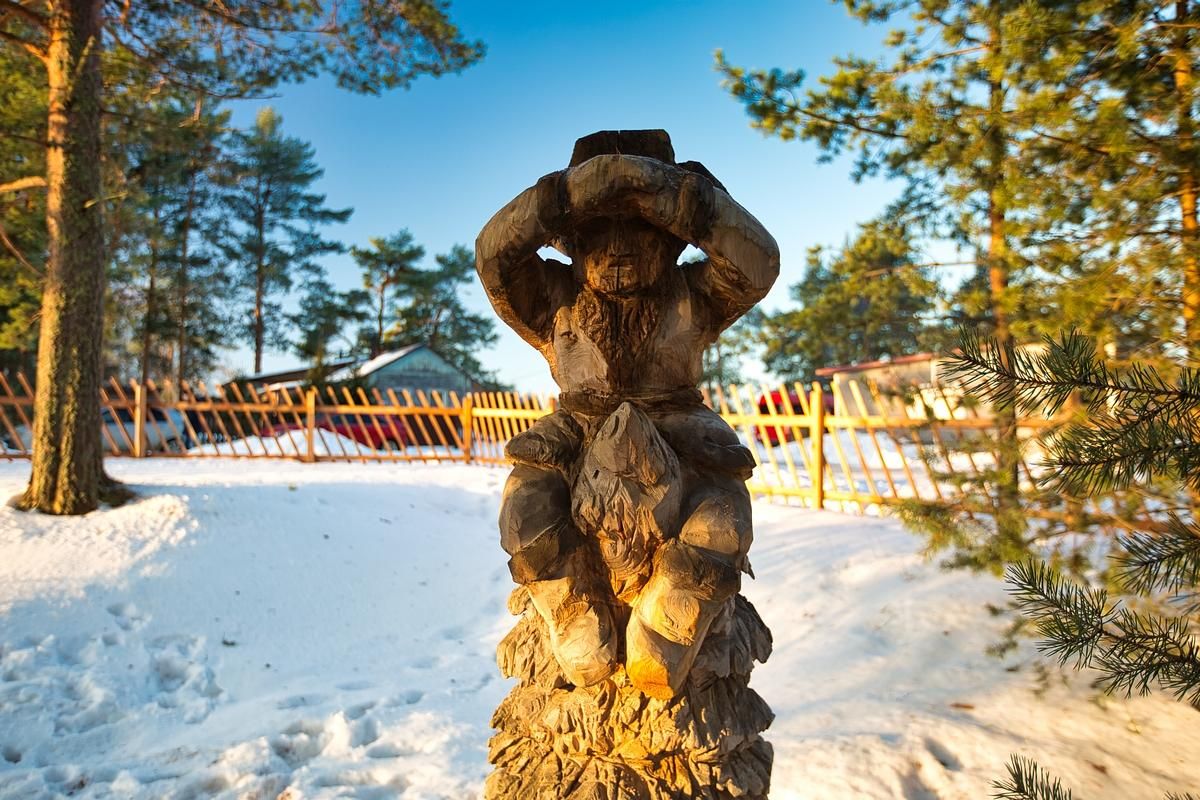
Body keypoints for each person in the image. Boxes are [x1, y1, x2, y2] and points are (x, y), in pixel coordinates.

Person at [477, 130, 780, 699]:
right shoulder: (552, 297)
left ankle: (675, 608)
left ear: (671, 243)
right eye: (598, 232)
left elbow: (759, 262)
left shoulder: (697, 295)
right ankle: (569, 604)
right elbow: (493, 257)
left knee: (722, 513)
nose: (617, 248)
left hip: (679, 424)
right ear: (571, 242)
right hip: (576, 424)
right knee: (525, 503)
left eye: (640, 232)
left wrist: (681, 198)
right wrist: (560, 199)